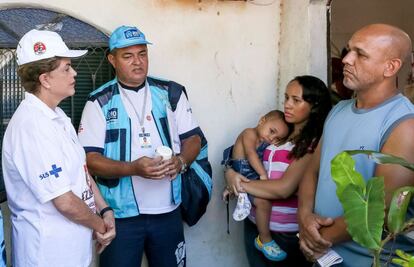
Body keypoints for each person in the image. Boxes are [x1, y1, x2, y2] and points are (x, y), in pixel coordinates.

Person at [78, 25, 211, 267]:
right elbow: (89, 160)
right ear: (112, 59)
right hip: (120, 215)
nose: (137, 62)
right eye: (127, 56)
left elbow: (193, 139)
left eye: (142, 54)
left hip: (169, 211)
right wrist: (134, 169)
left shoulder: (170, 92)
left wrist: (181, 161)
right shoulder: (99, 101)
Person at [297, 24, 414, 267]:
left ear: (390, 67)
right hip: (323, 255)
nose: (347, 60)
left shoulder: (405, 123)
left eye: (360, 54)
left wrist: (315, 239)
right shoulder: (338, 110)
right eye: (348, 51)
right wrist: (304, 217)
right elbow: (312, 171)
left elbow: (381, 208)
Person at [1, 29, 115, 267]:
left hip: (73, 253)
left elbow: (80, 172)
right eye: (66, 68)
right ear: (45, 79)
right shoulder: (31, 126)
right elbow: (63, 201)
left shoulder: (57, 115)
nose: (74, 73)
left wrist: (105, 209)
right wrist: (99, 225)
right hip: (47, 256)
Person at [225, 75, 332, 266]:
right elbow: (246, 158)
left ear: (314, 106)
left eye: (296, 100)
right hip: (254, 223)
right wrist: (230, 172)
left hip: (285, 233)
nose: (287, 105)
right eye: (286, 98)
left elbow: (283, 189)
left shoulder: (312, 144)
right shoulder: (278, 133)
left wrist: (236, 182)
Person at [222, 110, 290, 261]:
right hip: (245, 173)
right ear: (262, 120)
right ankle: (265, 240)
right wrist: (263, 175)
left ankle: (238, 195)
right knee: (264, 201)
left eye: (277, 138)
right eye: (272, 131)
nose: (271, 138)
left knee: (264, 202)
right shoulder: (249, 133)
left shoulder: (264, 139)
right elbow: (251, 154)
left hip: (248, 176)